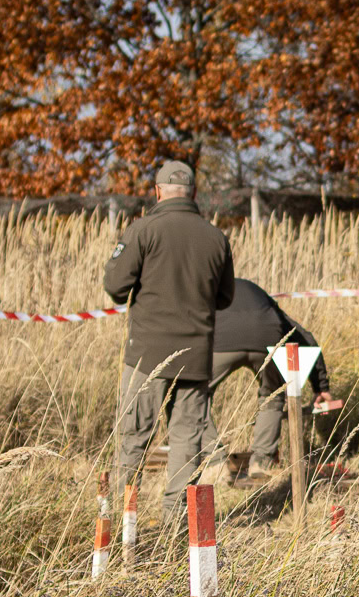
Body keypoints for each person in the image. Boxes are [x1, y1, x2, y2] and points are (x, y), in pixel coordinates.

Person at [103, 160, 237, 519]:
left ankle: (121, 518)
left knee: (134, 437)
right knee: (187, 444)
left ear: (158, 191)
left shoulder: (142, 230)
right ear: (193, 193)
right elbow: (225, 299)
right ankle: (176, 529)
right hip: (196, 358)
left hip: (146, 356)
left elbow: (115, 288)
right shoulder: (216, 238)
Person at [205, 278, 334, 479]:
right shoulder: (258, 294)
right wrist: (320, 386)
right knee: (273, 397)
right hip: (268, 336)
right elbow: (304, 335)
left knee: (195, 399)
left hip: (223, 341)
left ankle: (216, 466)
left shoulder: (208, 289)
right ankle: (261, 464)